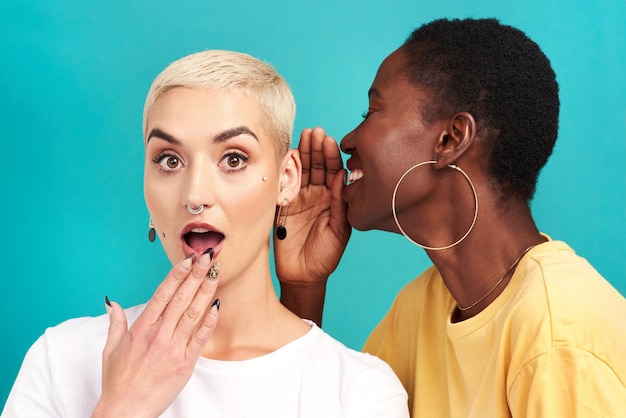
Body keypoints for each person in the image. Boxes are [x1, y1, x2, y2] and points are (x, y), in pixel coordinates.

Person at [2, 50, 409, 418]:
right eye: (169, 160)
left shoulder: (359, 393)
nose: (194, 196)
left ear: (286, 179)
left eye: (233, 159)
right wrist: (122, 406)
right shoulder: (62, 359)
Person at [275, 18, 626, 417]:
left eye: (371, 110)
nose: (348, 140)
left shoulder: (558, 334)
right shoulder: (419, 310)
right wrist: (304, 287)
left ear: (450, 139)